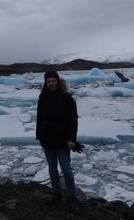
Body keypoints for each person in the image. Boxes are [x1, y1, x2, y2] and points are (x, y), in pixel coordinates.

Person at [36, 70, 79, 207]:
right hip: (47, 139)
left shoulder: (66, 98)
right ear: (45, 83)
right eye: (48, 81)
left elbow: (73, 120)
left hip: (62, 140)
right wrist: (39, 135)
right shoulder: (42, 97)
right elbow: (39, 118)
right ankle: (57, 193)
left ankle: (72, 196)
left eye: (53, 80)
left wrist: (71, 139)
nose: (51, 83)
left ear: (58, 81)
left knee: (66, 169)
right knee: (52, 169)